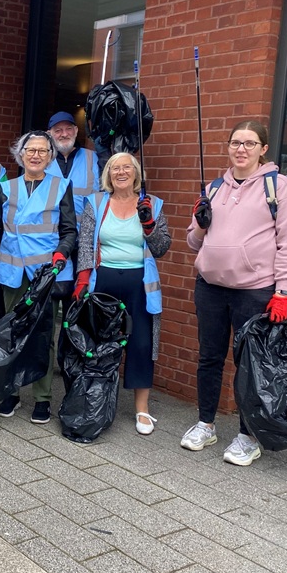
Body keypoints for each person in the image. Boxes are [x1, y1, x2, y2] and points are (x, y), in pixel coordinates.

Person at [182, 120, 287, 466]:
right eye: (236, 142)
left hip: (253, 290)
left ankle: (248, 436)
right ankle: (206, 424)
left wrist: (283, 291)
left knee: (250, 364)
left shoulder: (278, 187)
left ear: (263, 149)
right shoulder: (214, 187)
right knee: (209, 357)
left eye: (250, 143)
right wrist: (201, 224)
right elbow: (192, 241)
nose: (241, 149)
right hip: (210, 288)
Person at [74, 152, 172, 435]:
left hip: (139, 284)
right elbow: (85, 245)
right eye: (115, 168)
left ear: (135, 172)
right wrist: (82, 281)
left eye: (126, 167)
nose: (121, 172)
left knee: (141, 344)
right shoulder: (96, 202)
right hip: (103, 282)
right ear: (108, 174)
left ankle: (142, 409)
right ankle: (96, 399)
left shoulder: (151, 203)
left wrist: (149, 226)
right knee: (100, 343)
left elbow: (162, 247)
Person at [0, 130, 77, 424]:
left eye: (42, 151)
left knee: (42, 336)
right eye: (31, 150)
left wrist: (62, 253)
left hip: (43, 274)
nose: (36, 155)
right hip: (11, 271)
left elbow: (69, 230)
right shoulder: (6, 187)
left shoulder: (61, 186)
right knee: (11, 333)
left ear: (50, 157)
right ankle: (11, 391)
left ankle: (42, 398)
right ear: (20, 154)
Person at [44, 111, 101, 388]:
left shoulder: (92, 159)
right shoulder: (40, 159)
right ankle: (46, 360)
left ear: (76, 132)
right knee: (51, 301)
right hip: (54, 244)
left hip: (86, 243)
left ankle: (71, 362)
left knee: (77, 306)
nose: (63, 134)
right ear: (50, 134)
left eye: (68, 129)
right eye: (58, 130)